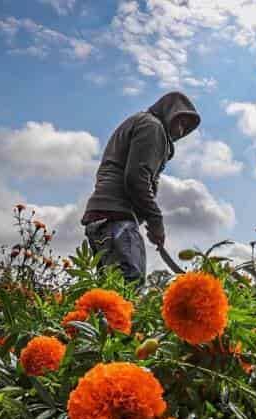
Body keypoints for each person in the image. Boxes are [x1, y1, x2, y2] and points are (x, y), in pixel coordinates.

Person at [81, 91, 200, 282]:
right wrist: (155, 220)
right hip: (116, 216)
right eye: (180, 122)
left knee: (111, 291)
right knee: (129, 284)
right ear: (168, 112)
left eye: (186, 128)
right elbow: (136, 178)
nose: (181, 131)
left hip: (104, 217)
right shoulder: (152, 126)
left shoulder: (140, 122)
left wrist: (144, 218)